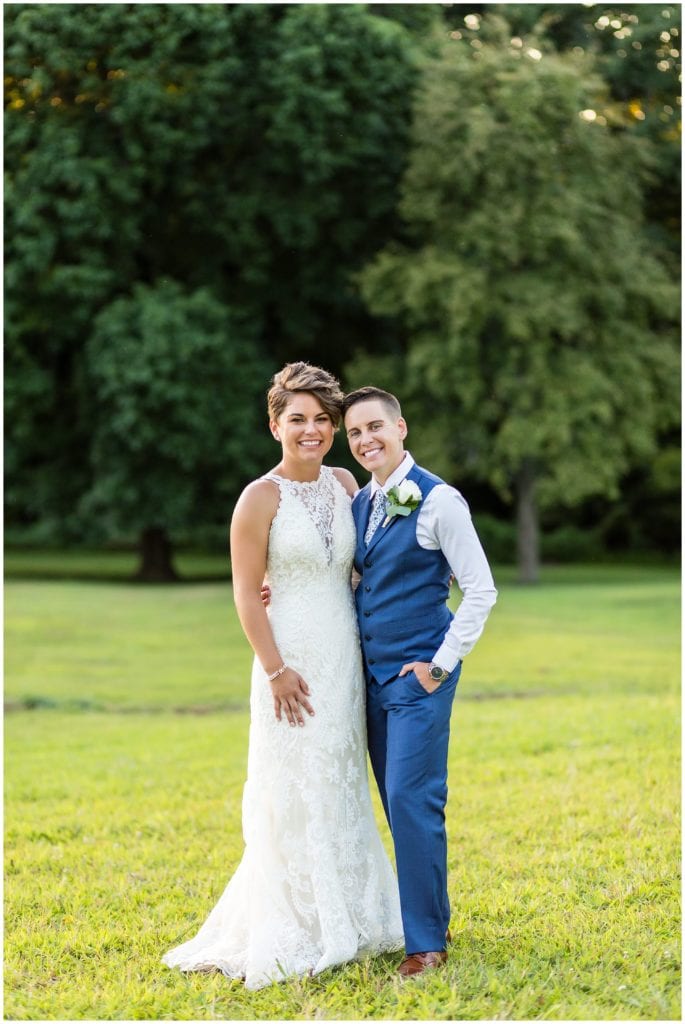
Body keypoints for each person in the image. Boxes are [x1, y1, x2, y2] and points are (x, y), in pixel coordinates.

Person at [162, 364, 403, 990]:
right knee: (292, 786)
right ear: (275, 425)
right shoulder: (257, 498)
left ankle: (349, 913)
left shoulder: (347, 483)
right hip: (287, 663)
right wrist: (274, 669)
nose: (313, 430)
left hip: (342, 656)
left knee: (340, 779)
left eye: (323, 419)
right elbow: (245, 594)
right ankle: (298, 922)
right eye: (298, 418)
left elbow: (358, 567)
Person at [342, 386, 497, 978]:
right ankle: (435, 913)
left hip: (419, 677)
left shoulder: (439, 501)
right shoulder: (363, 503)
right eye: (355, 433)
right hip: (371, 677)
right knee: (396, 799)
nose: (365, 440)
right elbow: (364, 581)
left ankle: (426, 944)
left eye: (375, 427)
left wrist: (440, 664)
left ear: (401, 427)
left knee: (412, 799)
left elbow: (480, 589)